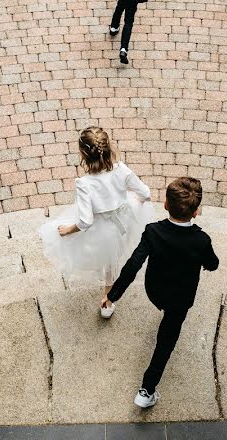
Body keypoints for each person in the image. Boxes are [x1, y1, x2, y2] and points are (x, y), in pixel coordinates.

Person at [102, 177, 219, 408]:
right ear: (196, 212)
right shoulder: (201, 240)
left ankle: (148, 390)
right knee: (165, 342)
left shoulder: (153, 231)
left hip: (155, 291)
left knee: (166, 330)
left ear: (165, 204)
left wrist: (112, 295)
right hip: (180, 299)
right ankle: (147, 390)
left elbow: (133, 266)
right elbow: (213, 264)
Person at [39, 126, 154, 315]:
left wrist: (67, 230)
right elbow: (145, 193)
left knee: (105, 259)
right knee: (113, 258)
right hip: (124, 221)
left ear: (83, 155)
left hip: (104, 230)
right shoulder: (122, 169)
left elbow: (85, 221)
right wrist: (133, 204)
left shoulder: (84, 183)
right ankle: (107, 303)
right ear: (109, 148)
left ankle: (108, 300)